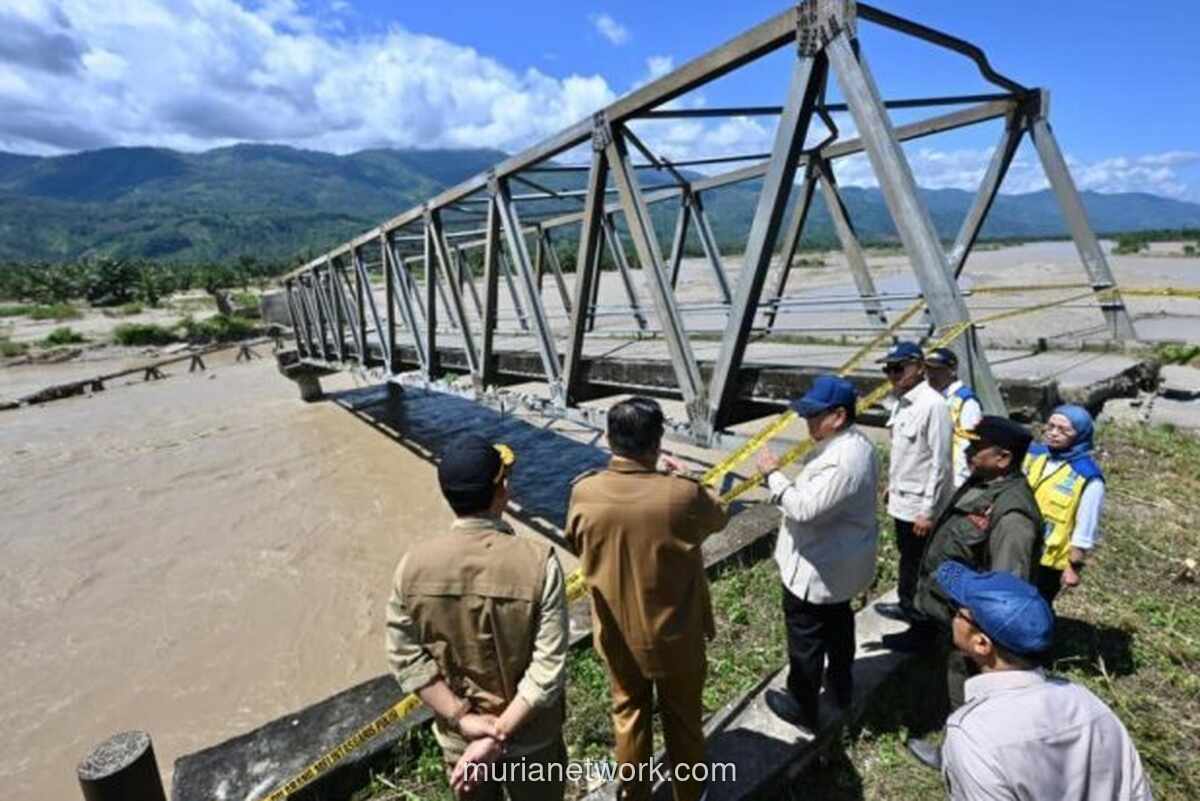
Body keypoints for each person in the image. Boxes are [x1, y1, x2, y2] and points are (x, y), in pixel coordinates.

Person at [386, 435, 569, 801]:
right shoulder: (540, 563)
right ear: (502, 490)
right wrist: (499, 734)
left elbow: (405, 659)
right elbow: (547, 670)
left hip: (463, 744)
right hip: (532, 740)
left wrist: (465, 720)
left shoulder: (411, 568)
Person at [566, 397, 728, 801]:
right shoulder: (682, 495)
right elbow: (719, 516)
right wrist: (691, 478)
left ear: (608, 439)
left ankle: (633, 795)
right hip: (677, 632)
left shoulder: (584, 492)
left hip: (618, 634)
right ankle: (689, 794)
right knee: (683, 718)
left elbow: (575, 540)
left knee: (629, 714)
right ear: (657, 443)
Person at [936, 563, 1153, 801]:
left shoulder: (972, 735)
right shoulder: (1090, 705)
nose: (953, 617)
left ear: (981, 643)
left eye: (957, 611)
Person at [903, 416, 1043, 770]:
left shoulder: (1012, 516)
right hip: (955, 614)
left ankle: (963, 757)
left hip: (976, 629)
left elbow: (1007, 592)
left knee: (968, 690)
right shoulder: (983, 483)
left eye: (977, 447)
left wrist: (981, 641)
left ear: (1003, 458)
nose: (968, 450)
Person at [754, 375, 880, 733]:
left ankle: (803, 705)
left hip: (816, 570)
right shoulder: (856, 444)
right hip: (838, 565)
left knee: (806, 641)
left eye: (813, 415)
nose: (806, 423)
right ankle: (841, 688)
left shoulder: (842, 460)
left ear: (838, 416)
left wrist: (773, 476)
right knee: (839, 627)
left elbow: (804, 508)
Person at [874, 341, 954, 624]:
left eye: (898, 368)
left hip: (919, 506)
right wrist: (891, 486)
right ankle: (907, 605)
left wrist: (928, 511)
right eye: (888, 370)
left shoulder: (933, 406)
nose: (892, 375)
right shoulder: (902, 403)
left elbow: (939, 462)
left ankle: (920, 620)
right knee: (908, 559)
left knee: (921, 564)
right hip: (903, 499)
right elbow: (907, 453)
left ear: (920, 367)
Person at [1023, 404, 1107, 603]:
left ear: (1079, 435)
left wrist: (1073, 566)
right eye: (1050, 426)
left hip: (1047, 559)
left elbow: (1085, 528)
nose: (1053, 433)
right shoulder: (1034, 455)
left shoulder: (1088, 477)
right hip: (1018, 543)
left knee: (1034, 606)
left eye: (1063, 430)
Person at [923, 348, 983, 489]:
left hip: (955, 480)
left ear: (952, 370)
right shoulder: (930, 397)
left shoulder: (966, 402)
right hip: (932, 476)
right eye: (928, 369)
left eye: (937, 370)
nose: (931, 375)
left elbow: (970, 445)